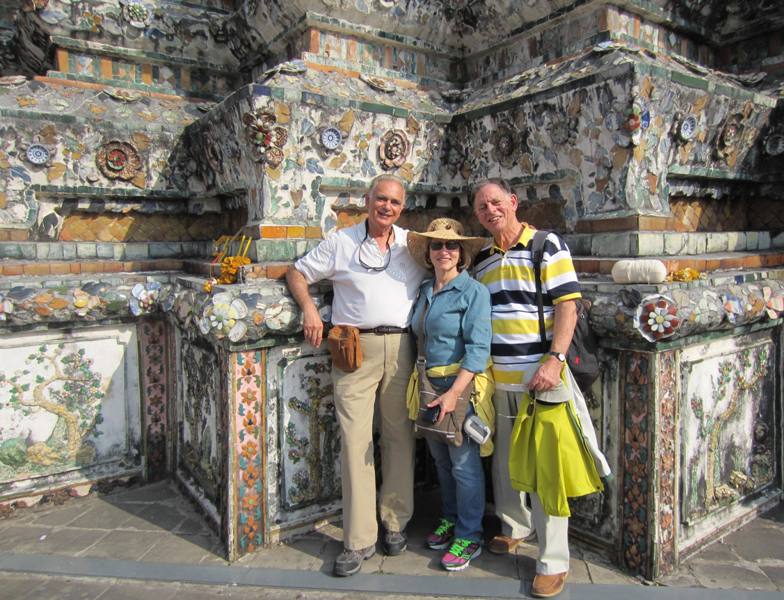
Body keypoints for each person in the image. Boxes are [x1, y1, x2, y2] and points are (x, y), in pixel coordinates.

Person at [471, 179, 609, 598]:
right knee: (505, 463)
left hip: (542, 376)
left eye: (496, 202)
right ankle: (515, 526)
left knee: (548, 469)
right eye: (481, 206)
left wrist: (555, 359)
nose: (490, 210)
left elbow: (568, 303)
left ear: (512, 202)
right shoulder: (481, 259)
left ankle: (552, 559)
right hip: (500, 378)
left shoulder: (546, 245)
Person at [285, 174, 427, 577]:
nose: (387, 207)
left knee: (399, 437)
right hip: (353, 348)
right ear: (367, 200)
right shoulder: (342, 241)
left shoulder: (411, 244)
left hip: (401, 348)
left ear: (402, 208)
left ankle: (395, 521)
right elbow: (298, 273)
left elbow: (448, 262)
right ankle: (359, 538)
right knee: (355, 441)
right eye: (380, 199)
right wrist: (311, 310)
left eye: (395, 202)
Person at [405, 218, 493, 572]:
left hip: (458, 387)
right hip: (427, 387)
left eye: (451, 246)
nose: (444, 251)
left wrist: (455, 393)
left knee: (464, 465)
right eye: (437, 245)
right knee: (441, 461)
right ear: (428, 253)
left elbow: (477, 347)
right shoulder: (426, 290)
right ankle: (451, 518)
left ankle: (470, 535)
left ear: (462, 254)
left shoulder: (474, 293)